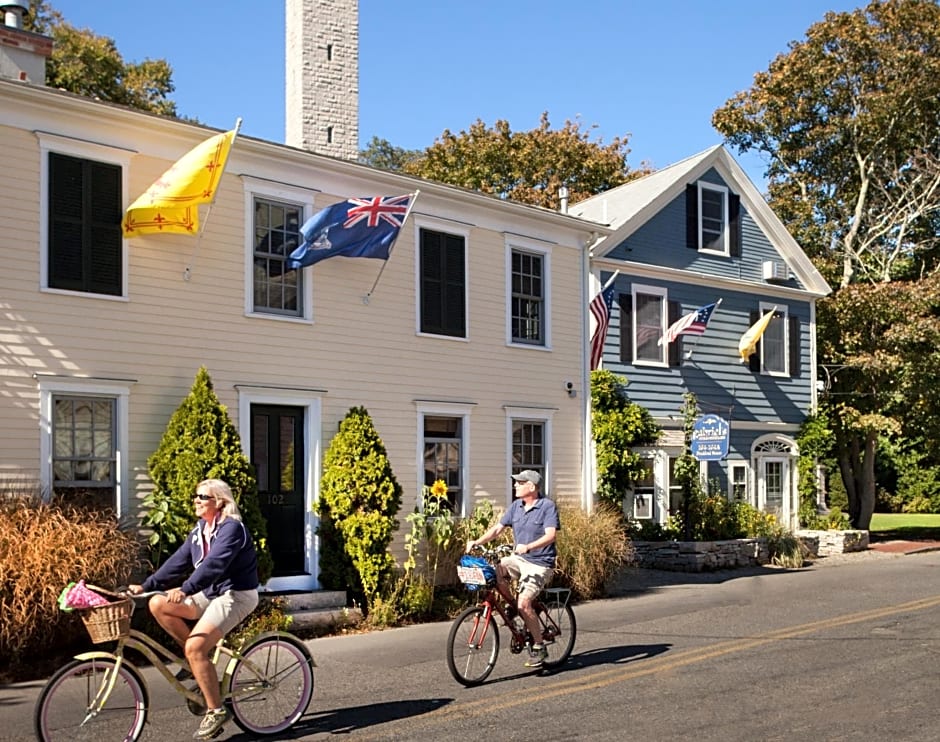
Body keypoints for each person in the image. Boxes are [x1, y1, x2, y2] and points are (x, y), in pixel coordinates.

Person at [129, 478, 260, 740]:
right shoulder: (201, 529)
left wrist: (186, 589)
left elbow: (214, 566)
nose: (196, 501)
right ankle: (197, 665)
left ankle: (216, 709)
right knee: (158, 604)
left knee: (195, 647)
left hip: (236, 594)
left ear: (219, 502)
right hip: (211, 593)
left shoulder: (231, 529)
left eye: (202, 497)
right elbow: (178, 561)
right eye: (196, 496)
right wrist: (145, 586)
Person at [466, 469, 560, 668]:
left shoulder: (547, 506)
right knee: (496, 570)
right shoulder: (516, 506)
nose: (515, 485)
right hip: (519, 559)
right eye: (515, 482)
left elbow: (551, 535)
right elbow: (497, 529)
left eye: (519, 482)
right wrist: (477, 541)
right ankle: (511, 605)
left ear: (532, 487)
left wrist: (529, 546)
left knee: (524, 603)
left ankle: (539, 646)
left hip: (540, 563)